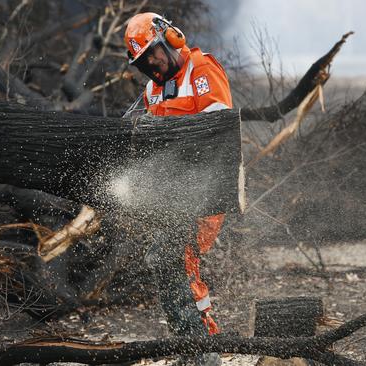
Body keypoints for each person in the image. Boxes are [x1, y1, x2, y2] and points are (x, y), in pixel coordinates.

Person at [124, 12, 232, 364]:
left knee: (177, 260)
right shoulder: (152, 89)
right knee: (162, 260)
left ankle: (204, 350)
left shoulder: (202, 71)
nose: (152, 65)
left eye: (153, 53)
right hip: (171, 193)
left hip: (205, 190)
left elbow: (219, 133)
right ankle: (190, 346)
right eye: (143, 63)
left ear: (171, 39)